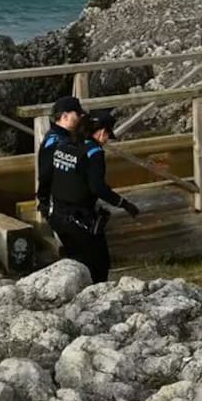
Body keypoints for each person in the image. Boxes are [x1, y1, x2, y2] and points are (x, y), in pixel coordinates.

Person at [36, 100, 139, 283]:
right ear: (101, 132)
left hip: (58, 215)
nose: (107, 140)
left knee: (75, 260)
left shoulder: (64, 145)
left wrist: (44, 201)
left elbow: (50, 175)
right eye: (107, 135)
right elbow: (97, 187)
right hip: (80, 219)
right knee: (99, 264)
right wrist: (124, 203)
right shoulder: (93, 152)